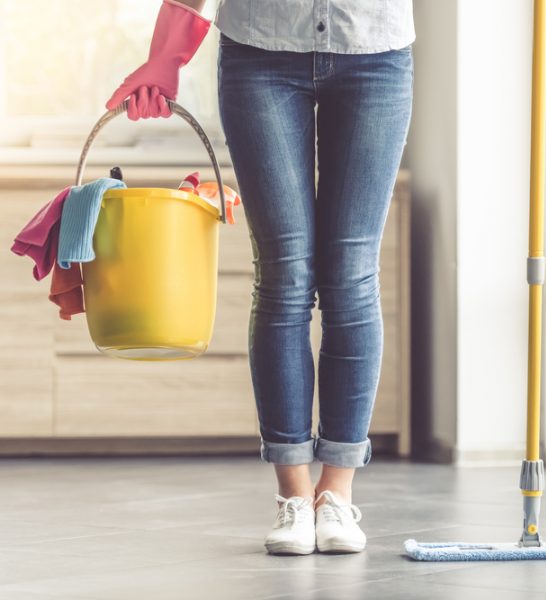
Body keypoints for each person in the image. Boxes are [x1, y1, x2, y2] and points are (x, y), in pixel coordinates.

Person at [105, 0, 414, 556]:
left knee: (351, 273)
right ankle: (294, 495)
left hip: (376, 50)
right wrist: (167, 52)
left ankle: (336, 494)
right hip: (261, 51)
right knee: (285, 272)